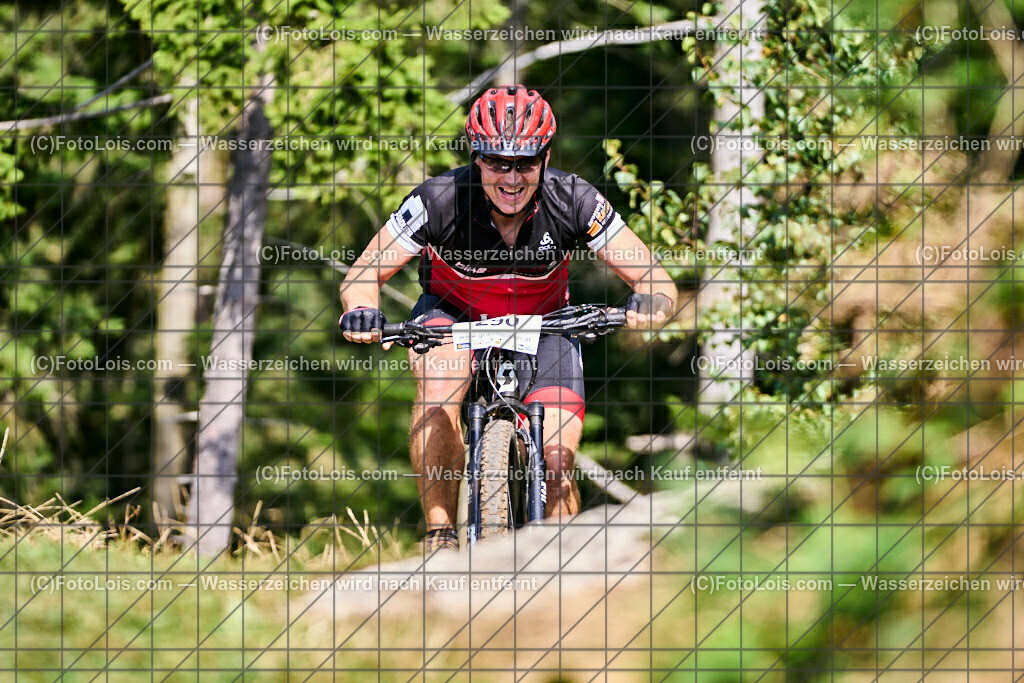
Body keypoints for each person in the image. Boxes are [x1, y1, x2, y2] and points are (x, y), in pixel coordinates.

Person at [339, 85, 675, 551]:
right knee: (437, 390)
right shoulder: (438, 200)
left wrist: (650, 303)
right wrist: (361, 311)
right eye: (498, 162)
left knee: (556, 462)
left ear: (545, 156)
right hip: (453, 316)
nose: (511, 178)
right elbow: (362, 276)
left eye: (526, 163)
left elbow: (655, 278)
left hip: (546, 322)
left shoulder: (574, 199)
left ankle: (561, 570)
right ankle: (440, 537)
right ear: (476, 157)